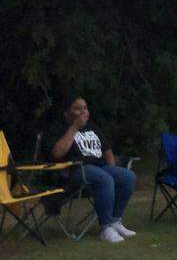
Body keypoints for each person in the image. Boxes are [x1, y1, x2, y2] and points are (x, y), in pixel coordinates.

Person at [49, 97, 137, 244]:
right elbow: (57, 153)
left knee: (128, 176)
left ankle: (116, 221)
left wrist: (113, 170)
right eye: (78, 108)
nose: (84, 111)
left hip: (100, 167)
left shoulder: (93, 127)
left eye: (85, 108)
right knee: (104, 178)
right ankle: (106, 228)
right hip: (76, 170)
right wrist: (74, 128)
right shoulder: (61, 128)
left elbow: (107, 151)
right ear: (67, 113)